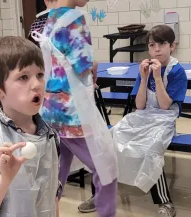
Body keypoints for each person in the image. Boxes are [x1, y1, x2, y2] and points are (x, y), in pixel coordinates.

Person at [79, 25, 188, 217]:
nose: (157, 49)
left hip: (164, 120)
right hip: (142, 116)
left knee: (151, 149)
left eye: (162, 44)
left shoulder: (176, 71)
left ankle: (165, 202)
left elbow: (164, 106)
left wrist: (157, 77)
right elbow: (139, 105)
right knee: (108, 141)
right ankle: (99, 196)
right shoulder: (143, 68)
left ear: (172, 46)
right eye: (152, 45)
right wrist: (145, 78)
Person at [31, 0, 118, 216]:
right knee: (107, 168)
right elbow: (82, 65)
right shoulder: (75, 19)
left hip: (50, 108)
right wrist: (94, 65)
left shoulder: (47, 18)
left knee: (56, 171)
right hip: (72, 111)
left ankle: (46, 211)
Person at [0, 36, 61, 217]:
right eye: (23, 77)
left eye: (39, 74)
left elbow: (51, 194)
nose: (37, 84)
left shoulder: (50, 136)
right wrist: (5, 179)